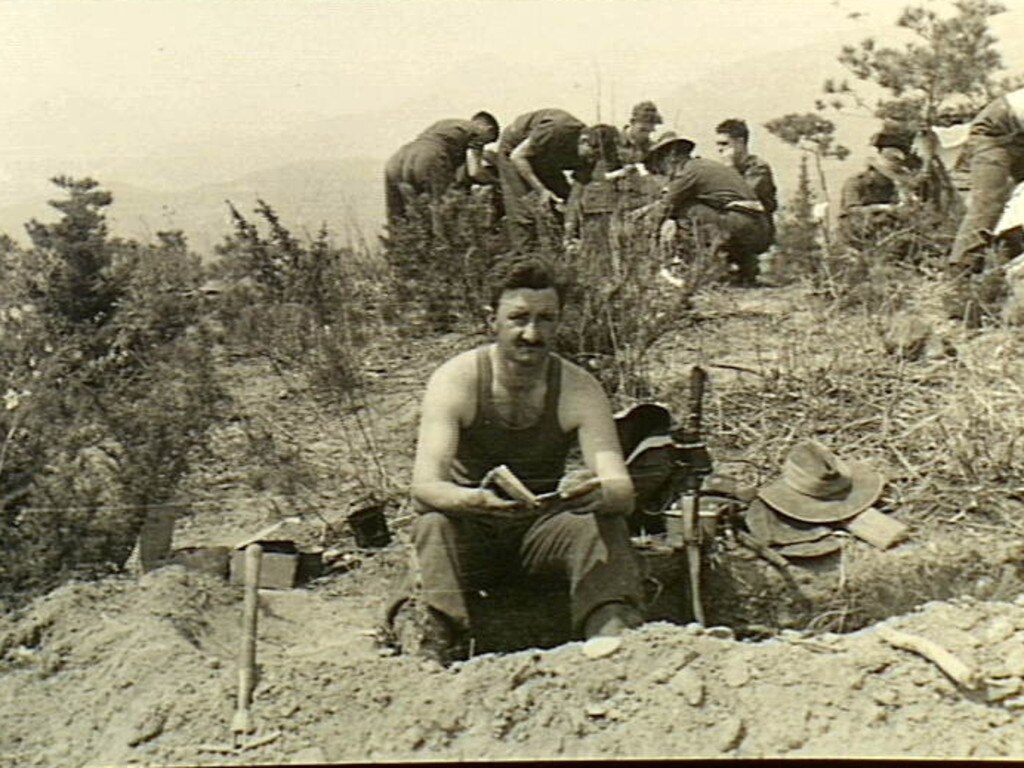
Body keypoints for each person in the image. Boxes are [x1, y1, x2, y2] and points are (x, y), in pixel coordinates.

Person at [388, 256, 645, 664]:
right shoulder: (457, 380)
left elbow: (621, 489)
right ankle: (435, 644)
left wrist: (594, 492)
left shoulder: (578, 388)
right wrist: (475, 501)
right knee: (433, 524)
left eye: (546, 319)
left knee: (604, 523)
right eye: (519, 318)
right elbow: (424, 488)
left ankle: (612, 639)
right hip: (472, 532)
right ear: (493, 318)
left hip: (541, 532)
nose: (532, 333)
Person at [639, 133, 772, 285]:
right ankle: (744, 269)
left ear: (672, 157)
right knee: (701, 212)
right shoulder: (704, 166)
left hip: (741, 226)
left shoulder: (689, 173)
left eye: (660, 164)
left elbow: (665, 206)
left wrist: (644, 235)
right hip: (759, 229)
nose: (661, 171)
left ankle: (697, 269)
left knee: (684, 209)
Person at [950, 87, 1024, 273]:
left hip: (1019, 132)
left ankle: (1010, 248)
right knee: (989, 201)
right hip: (997, 128)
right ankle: (961, 268)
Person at [494, 108, 590, 251]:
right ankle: (524, 259)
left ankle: (561, 251)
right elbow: (517, 156)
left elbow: (574, 196)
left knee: (561, 198)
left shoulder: (592, 154)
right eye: (591, 155)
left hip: (545, 156)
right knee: (523, 210)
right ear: (584, 141)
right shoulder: (557, 129)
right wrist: (542, 190)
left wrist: (570, 228)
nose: (590, 161)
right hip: (515, 150)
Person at [384, 111, 501, 225]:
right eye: (488, 140)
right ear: (488, 129)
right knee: (443, 211)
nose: (485, 144)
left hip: (398, 158)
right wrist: (498, 182)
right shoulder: (477, 131)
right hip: (429, 156)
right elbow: (475, 172)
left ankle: (398, 242)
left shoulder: (447, 123)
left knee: (398, 215)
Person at [837, 123, 922, 251]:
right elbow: (851, 210)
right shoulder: (855, 183)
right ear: (874, 172)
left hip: (883, 231)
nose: (888, 179)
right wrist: (883, 208)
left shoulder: (891, 185)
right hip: (855, 232)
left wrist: (908, 199)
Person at [714, 118, 778, 233]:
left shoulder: (758, 168)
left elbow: (742, 195)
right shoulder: (725, 168)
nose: (720, 149)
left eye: (724, 144)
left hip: (756, 227)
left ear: (740, 143)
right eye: (718, 144)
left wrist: (729, 168)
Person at [620, 100, 664, 165]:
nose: (645, 135)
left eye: (649, 131)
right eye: (643, 130)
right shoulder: (613, 141)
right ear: (633, 122)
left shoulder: (652, 149)